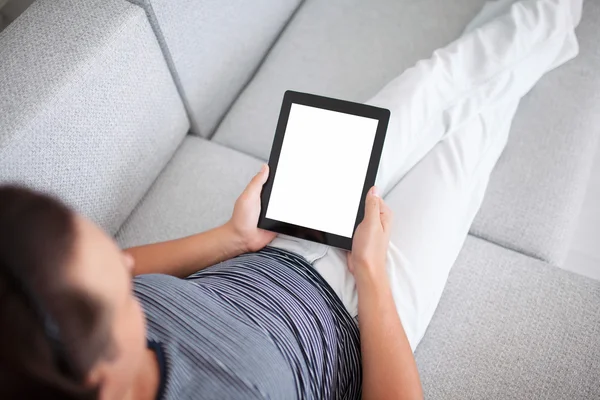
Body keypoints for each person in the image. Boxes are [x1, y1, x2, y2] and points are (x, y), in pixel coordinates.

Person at [0, 0, 581, 398]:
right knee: (473, 129)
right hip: (368, 312)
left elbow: (127, 270)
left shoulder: (38, 312)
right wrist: (373, 278)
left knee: (437, 81)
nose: (129, 266)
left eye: (112, 251)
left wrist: (233, 239)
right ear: (101, 381)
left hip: (278, 239)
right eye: (121, 292)